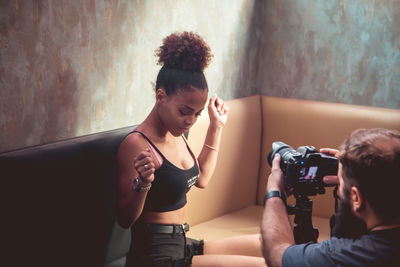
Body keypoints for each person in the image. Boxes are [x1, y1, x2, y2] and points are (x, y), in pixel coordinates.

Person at [117, 31, 266, 267]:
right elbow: (125, 219)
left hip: (182, 243)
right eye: (184, 111)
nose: (190, 121)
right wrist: (143, 182)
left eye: (197, 114)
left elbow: (202, 179)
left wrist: (216, 126)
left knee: (271, 245)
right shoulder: (137, 144)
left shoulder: (177, 132)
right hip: (156, 255)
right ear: (160, 96)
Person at [261, 128, 400, 267]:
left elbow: (275, 253)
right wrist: (351, 171)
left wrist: (275, 192)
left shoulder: (353, 254)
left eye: (341, 183)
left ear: (357, 198)